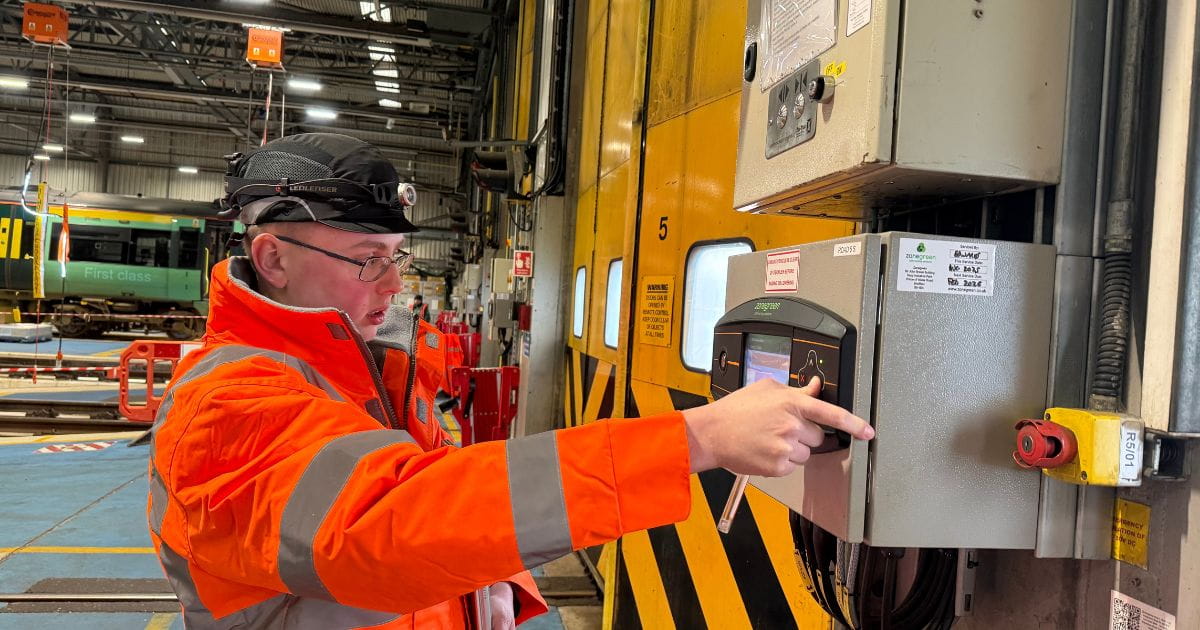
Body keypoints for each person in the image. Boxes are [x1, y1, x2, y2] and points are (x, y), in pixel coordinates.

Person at [145, 133, 874, 629]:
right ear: (273, 260)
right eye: (367, 257)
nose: (392, 283)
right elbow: (387, 525)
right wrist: (694, 438)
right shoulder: (227, 403)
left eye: (397, 255)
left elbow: (435, 508)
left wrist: (482, 583)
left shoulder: (364, 372)